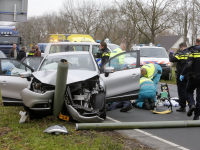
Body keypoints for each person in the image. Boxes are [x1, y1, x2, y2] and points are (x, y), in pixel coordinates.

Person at [180, 38, 200, 120]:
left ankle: (191, 104)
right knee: (199, 97)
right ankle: (196, 116)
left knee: (188, 91)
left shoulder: (193, 50)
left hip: (194, 76)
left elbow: (188, 64)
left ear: (196, 42)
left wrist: (183, 73)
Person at [169, 42, 189, 112]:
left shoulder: (181, 54)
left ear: (181, 47)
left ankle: (183, 106)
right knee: (189, 91)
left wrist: (171, 53)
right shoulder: (190, 53)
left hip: (181, 74)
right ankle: (191, 104)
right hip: (189, 75)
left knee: (181, 90)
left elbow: (172, 59)